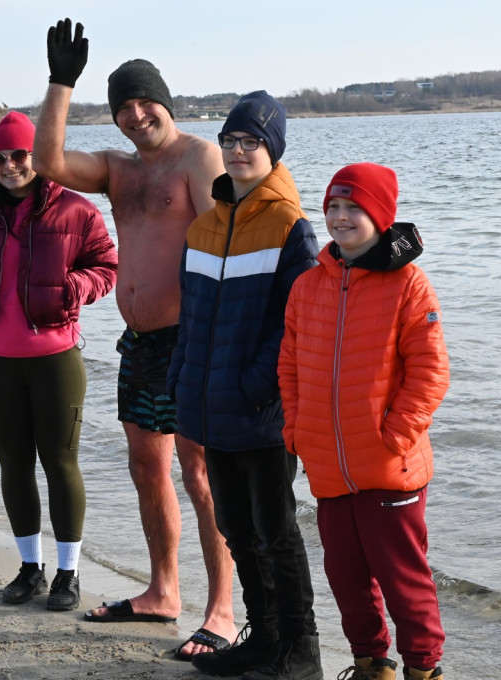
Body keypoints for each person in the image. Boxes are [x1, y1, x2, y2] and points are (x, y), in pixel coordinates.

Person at [32, 18, 238, 657]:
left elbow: (225, 249)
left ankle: (223, 610)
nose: (135, 114)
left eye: (145, 102)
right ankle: (162, 592)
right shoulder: (119, 172)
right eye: (122, 107)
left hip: (192, 341)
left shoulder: (199, 158)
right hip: (140, 345)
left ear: (166, 103)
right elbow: (47, 162)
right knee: (148, 468)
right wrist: (62, 82)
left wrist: (221, 342)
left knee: (202, 475)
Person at [168, 91, 322, 680]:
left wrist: (255, 386)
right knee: (234, 524)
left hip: (261, 411)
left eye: (250, 143)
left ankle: (300, 651)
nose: (237, 152)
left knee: (275, 529)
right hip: (210, 408)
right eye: (230, 141)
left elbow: (296, 324)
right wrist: (183, 382)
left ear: (272, 151)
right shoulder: (203, 228)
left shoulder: (292, 227)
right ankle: (264, 639)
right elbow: (191, 318)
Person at [0, 111, 118, 611]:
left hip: (55, 360)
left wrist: (76, 286)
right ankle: (29, 568)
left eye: (19, 155)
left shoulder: (77, 210)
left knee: (61, 464)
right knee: (14, 465)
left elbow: (107, 266)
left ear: (36, 157)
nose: (9, 165)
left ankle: (68, 574)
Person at [277, 163, 451, 680]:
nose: (340, 217)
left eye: (353, 207)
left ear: (380, 215)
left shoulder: (408, 284)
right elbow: (288, 365)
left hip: (389, 467)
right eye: (332, 206)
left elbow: (430, 373)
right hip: (328, 467)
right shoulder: (308, 286)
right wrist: (296, 431)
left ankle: (424, 670)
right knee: (346, 578)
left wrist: (395, 436)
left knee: (404, 581)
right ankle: (373, 667)